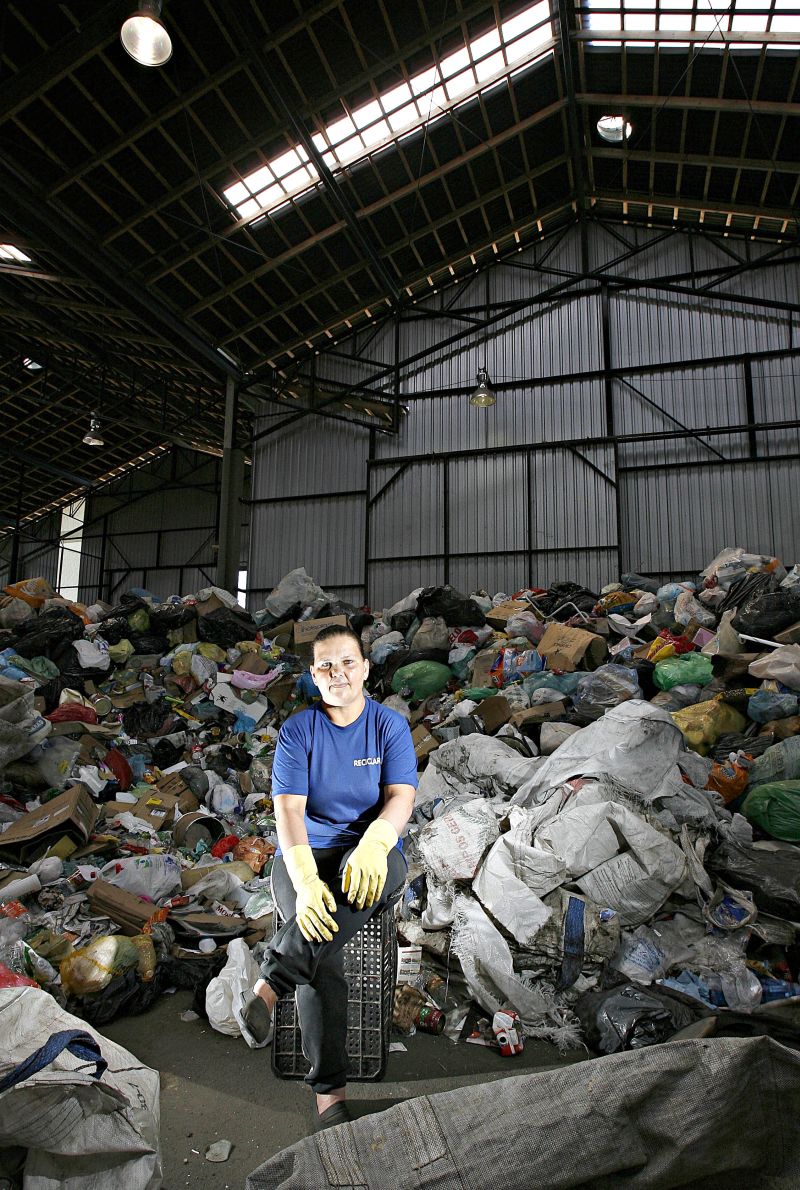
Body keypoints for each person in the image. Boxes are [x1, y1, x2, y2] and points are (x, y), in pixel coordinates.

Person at [241, 624, 417, 1130]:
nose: (337, 673)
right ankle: (330, 1097)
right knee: (323, 951)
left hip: (373, 854)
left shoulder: (389, 727)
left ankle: (272, 983)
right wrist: (303, 876)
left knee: (319, 937)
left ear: (364, 668)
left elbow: (400, 796)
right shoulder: (299, 731)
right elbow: (290, 811)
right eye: (325, 666)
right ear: (313, 676)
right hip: (307, 852)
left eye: (347, 662)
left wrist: (376, 843)